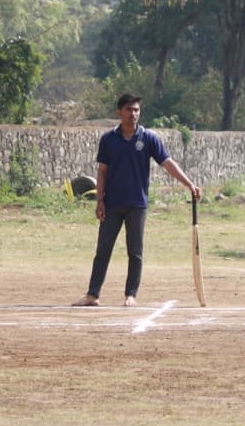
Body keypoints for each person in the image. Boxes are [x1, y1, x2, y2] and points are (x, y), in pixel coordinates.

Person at [73, 93, 202, 307]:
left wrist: (189, 184)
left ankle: (130, 295)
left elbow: (168, 163)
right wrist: (99, 200)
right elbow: (102, 171)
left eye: (136, 110)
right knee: (103, 250)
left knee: (135, 252)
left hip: (137, 204)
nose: (133, 114)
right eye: (129, 110)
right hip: (112, 204)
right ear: (119, 112)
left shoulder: (148, 138)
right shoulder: (108, 139)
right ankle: (93, 295)